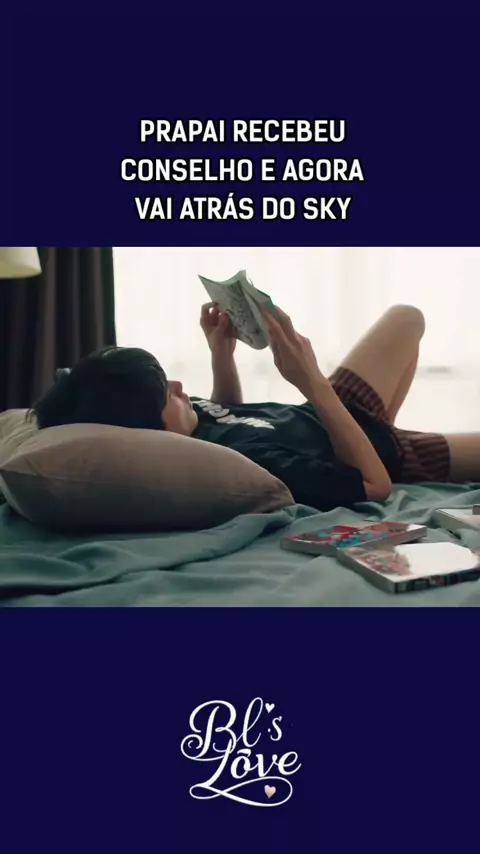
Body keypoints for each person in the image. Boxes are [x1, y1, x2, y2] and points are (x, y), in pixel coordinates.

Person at [31, 302, 480, 511]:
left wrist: (221, 356)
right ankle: (393, 439)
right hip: (388, 454)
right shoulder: (245, 467)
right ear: (148, 431)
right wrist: (312, 382)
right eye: (166, 393)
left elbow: (231, 415)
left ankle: (372, 425)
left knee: (407, 317)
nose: (179, 385)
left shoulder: (189, 424)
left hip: (336, 410)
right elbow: (375, 486)